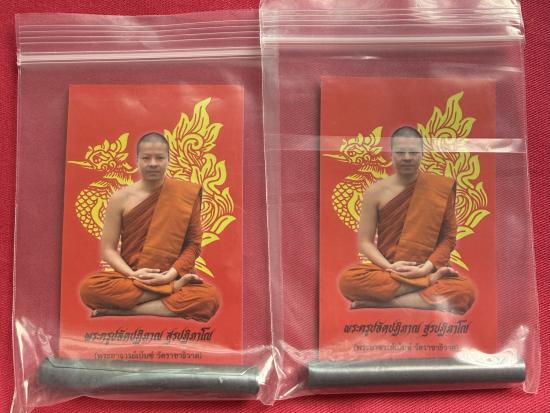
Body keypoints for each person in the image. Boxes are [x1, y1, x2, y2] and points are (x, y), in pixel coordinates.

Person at [80, 132, 220, 322]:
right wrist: (132, 274)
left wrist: (170, 276)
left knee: (209, 298)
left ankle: (125, 311)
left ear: (168, 160)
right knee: (88, 289)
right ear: (137, 160)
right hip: (132, 277)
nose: (153, 163)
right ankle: (171, 290)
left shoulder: (186, 194)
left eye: (159, 158)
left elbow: (193, 245)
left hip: (171, 273)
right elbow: (108, 250)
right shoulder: (120, 198)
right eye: (146, 158)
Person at [339, 126, 475, 314]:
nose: (407, 157)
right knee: (348, 281)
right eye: (401, 152)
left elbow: (449, 237)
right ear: (391, 153)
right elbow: (365, 242)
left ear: (422, 153)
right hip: (389, 270)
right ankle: (429, 282)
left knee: (465, 291)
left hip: (427, 266)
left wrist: (425, 269)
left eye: (413, 152)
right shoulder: (374, 192)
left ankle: (384, 302)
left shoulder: (440, 187)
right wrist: (390, 267)